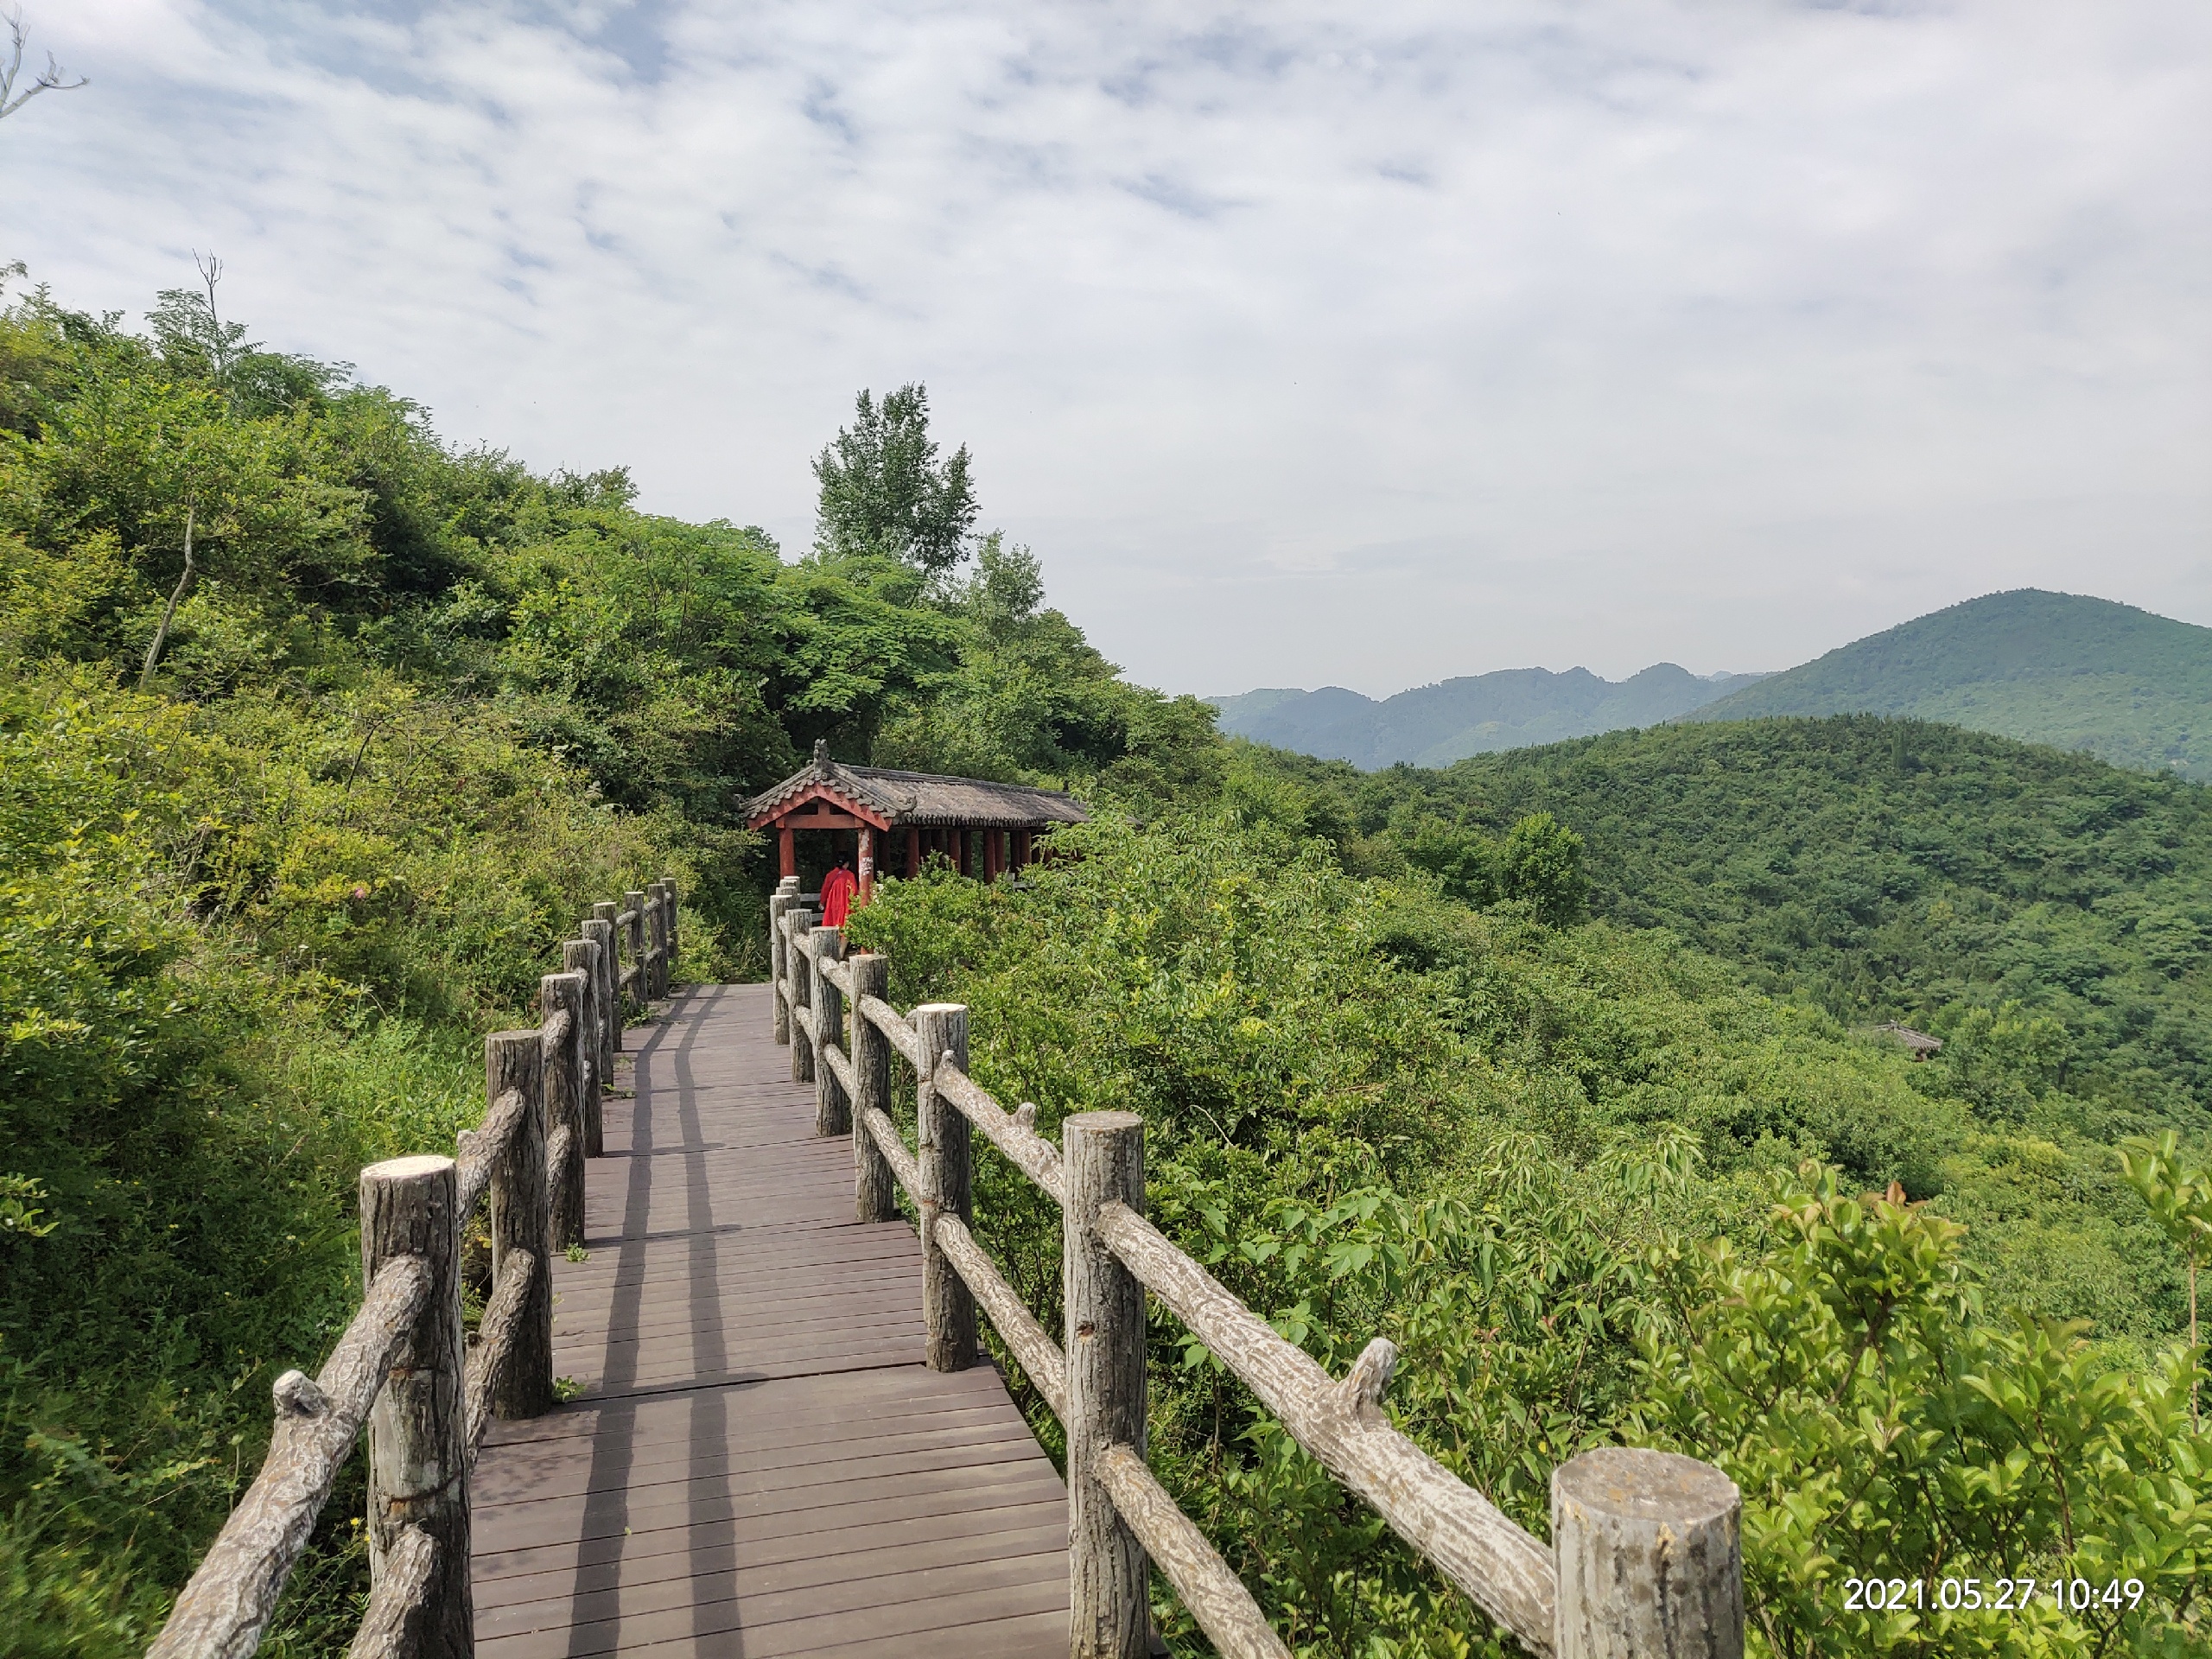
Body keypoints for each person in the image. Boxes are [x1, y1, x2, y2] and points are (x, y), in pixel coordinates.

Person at [819, 855, 860, 928]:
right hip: (845, 902)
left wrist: (822, 902)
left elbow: (825, 890)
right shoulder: (850, 875)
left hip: (832, 902)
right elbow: (854, 891)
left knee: (831, 922)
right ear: (846, 863)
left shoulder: (830, 875)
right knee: (844, 923)